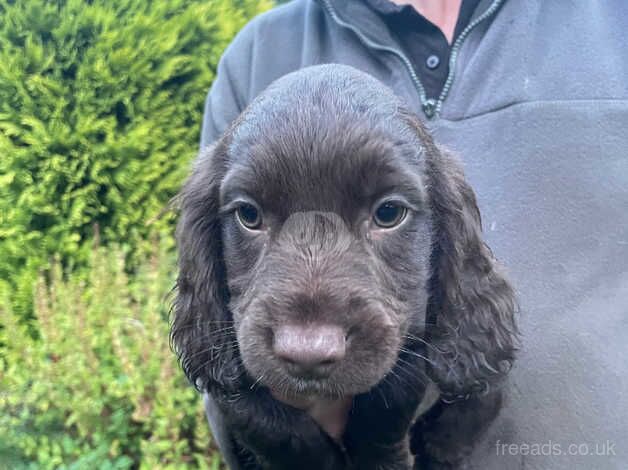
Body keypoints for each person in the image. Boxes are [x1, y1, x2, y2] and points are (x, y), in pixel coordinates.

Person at [199, 0, 628, 468]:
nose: (309, 342)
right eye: (251, 216)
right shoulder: (259, 53)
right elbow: (220, 370)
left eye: (387, 213)